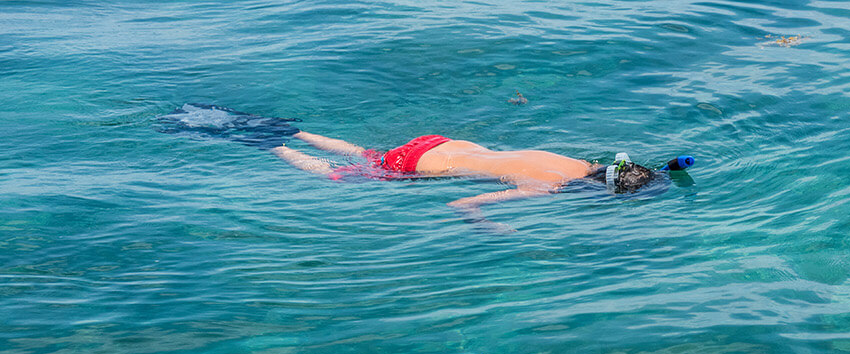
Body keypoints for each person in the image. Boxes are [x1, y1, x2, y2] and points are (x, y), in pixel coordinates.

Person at [158, 104, 659, 233]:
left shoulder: (581, 163)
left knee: (362, 153)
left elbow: (623, 167)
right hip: (421, 165)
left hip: (440, 142)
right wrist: (489, 224)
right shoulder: (547, 187)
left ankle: (292, 128)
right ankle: (272, 144)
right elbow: (462, 200)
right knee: (337, 177)